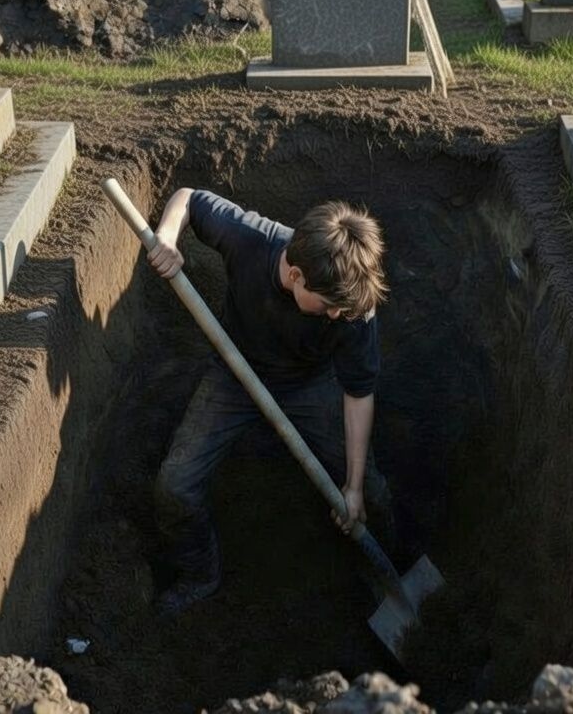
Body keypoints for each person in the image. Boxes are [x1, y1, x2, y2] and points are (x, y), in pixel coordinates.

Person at [145, 186, 397, 616]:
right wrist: (167, 238)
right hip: (234, 373)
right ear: (296, 275)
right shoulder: (250, 238)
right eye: (329, 306)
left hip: (310, 384)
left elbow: (358, 394)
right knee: (175, 487)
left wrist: (352, 487)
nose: (337, 315)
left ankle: (385, 578)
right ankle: (200, 574)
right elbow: (188, 197)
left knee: (371, 493)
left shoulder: (353, 307)